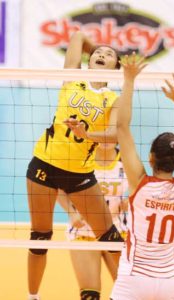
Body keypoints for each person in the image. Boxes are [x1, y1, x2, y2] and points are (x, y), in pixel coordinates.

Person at [26, 31, 124, 300]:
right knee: (39, 238)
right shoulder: (72, 77)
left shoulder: (113, 99)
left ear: (115, 67)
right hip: (44, 164)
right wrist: (102, 51)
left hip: (79, 172)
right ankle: (32, 297)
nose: (101, 55)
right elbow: (79, 35)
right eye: (97, 54)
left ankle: (133, 292)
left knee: (113, 239)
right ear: (88, 59)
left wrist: (86, 134)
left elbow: (115, 134)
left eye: (108, 55)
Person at [110, 55, 174, 300]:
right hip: (167, 281)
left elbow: (122, 127)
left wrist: (129, 79)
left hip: (134, 277)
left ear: (151, 158)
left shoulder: (140, 183)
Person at [57, 142, 128, 300]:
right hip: (84, 232)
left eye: (109, 131)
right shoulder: (80, 158)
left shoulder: (126, 159)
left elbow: (140, 188)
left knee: (128, 292)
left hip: (117, 232)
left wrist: (130, 202)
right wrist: (71, 212)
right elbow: (58, 188)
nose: (105, 138)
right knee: (90, 295)